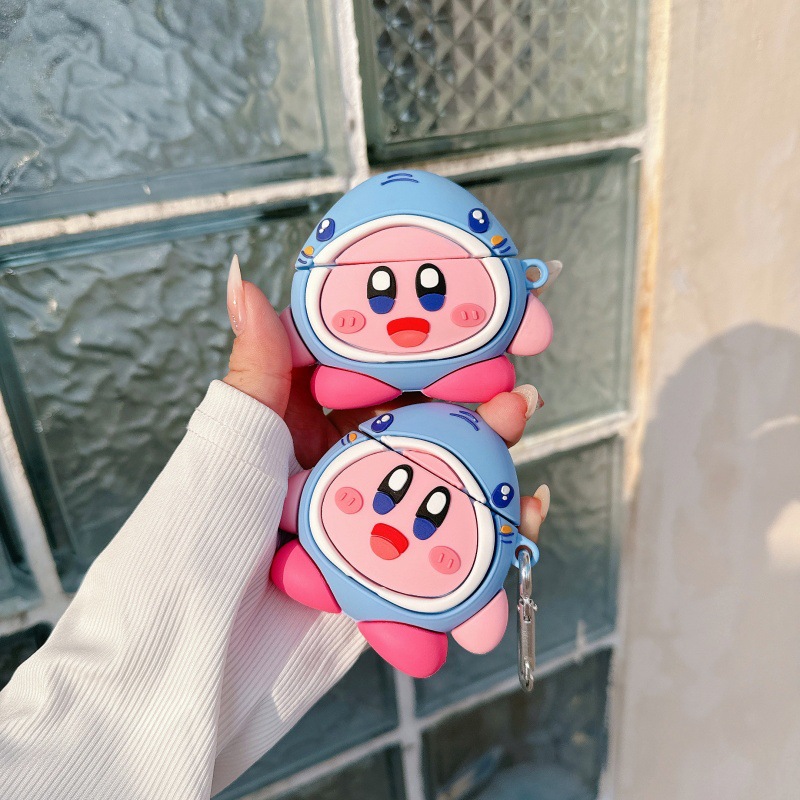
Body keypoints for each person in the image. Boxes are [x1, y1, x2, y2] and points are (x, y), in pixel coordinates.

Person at [0, 258, 546, 800]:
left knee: (360, 592)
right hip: (331, 528)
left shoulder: (315, 486)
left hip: (337, 520)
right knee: (319, 570)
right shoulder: (319, 485)